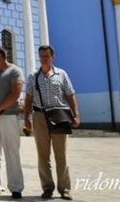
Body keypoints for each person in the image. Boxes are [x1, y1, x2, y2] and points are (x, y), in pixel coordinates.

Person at [23, 45, 80, 201]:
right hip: (40, 116)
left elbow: (70, 95)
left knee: (61, 155)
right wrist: (26, 118)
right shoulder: (33, 76)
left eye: (46, 56)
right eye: (41, 56)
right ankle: (47, 188)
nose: (43, 58)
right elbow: (28, 99)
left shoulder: (61, 74)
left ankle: (65, 189)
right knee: (43, 155)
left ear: (53, 56)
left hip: (59, 116)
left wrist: (76, 115)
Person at [0, 45, 24, 199]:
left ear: (0, 55)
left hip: (9, 116)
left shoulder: (15, 71)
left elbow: (15, 93)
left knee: (11, 152)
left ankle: (16, 187)